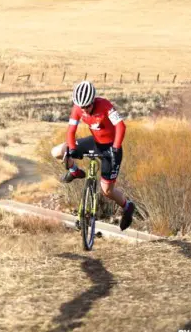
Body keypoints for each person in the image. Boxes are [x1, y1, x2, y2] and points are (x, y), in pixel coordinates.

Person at [50, 80, 136, 231]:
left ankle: (127, 207)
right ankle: (74, 171)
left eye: (87, 106)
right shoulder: (78, 108)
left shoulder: (105, 106)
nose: (85, 110)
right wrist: (72, 148)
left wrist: (115, 148)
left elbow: (121, 127)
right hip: (95, 142)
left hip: (111, 146)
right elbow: (71, 131)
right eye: (82, 107)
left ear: (93, 101)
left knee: (106, 190)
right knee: (58, 151)